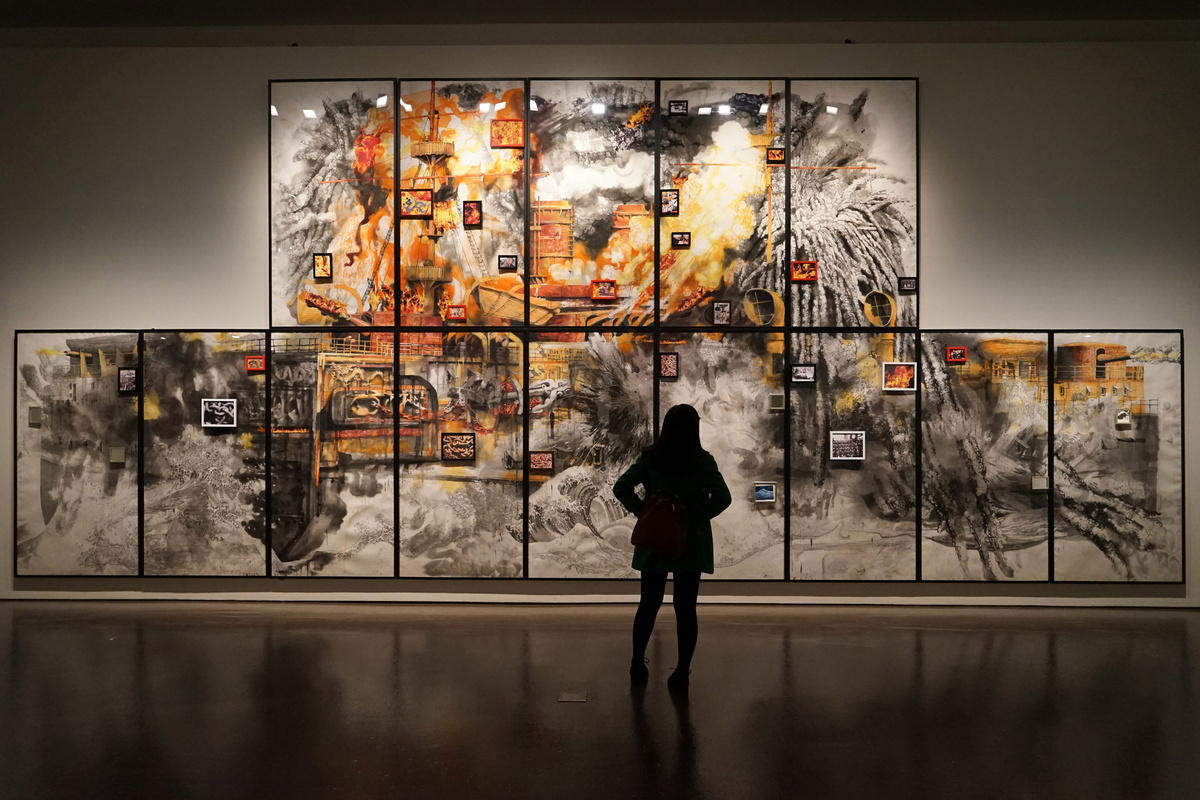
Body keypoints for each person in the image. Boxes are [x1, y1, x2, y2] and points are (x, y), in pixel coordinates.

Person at [613, 404, 731, 691]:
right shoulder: (702, 461)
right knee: (686, 609)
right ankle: (681, 672)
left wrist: (643, 511)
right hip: (689, 544)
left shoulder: (651, 458)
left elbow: (621, 487)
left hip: (654, 542)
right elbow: (722, 498)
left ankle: (637, 662)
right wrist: (692, 516)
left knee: (648, 605)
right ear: (694, 428)